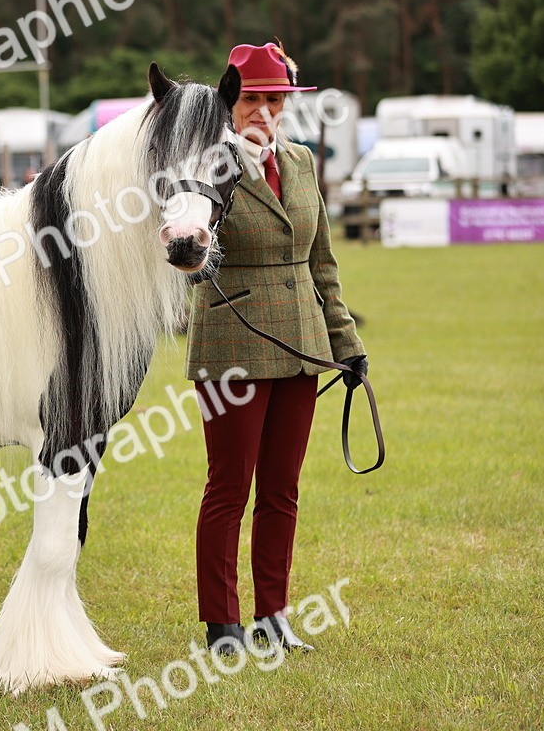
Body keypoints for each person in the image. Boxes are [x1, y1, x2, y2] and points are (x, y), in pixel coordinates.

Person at [184, 42, 368, 654]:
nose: (264, 111)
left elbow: (322, 261)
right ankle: (223, 624)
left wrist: (345, 341)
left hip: (301, 344)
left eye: (276, 100)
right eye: (253, 99)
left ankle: (273, 615)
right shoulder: (206, 167)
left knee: (282, 489)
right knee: (229, 488)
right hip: (233, 342)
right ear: (230, 102)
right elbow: (182, 247)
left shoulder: (301, 161)